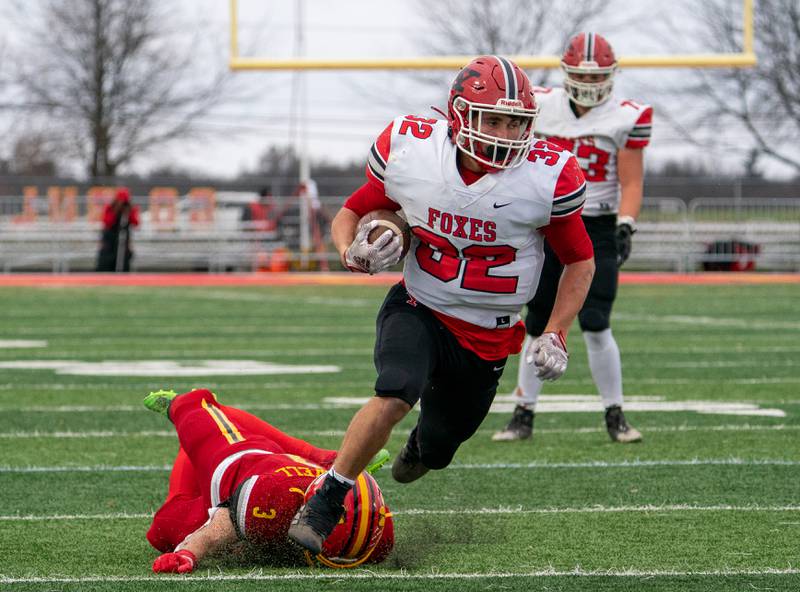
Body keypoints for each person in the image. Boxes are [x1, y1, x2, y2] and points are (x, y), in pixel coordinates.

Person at [287, 55, 595, 556]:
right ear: (458, 114)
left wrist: (556, 331)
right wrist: (351, 251)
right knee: (395, 391)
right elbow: (354, 209)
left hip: (489, 331)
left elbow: (580, 262)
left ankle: (422, 448)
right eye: (492, 119)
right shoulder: (415, 150)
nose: (505, 133)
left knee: (439, 446)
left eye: (516, 122)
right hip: (419, 305)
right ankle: (327, 499)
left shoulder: (546, 175)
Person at [492, 33, 651, 445]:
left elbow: (631, 180)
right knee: (538, 319)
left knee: (596, 322)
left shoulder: (627, 115)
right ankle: (523, 412)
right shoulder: (542, 104)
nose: (588, 81)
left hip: (596, 223)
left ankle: (614, 413)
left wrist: (627, 222)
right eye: (580, 72)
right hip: (547, 222)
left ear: (611, 75)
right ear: (566, 72)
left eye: (595, 74)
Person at [143, 388, 394, 573]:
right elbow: (221, 525)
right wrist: (189, 553)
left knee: (160, 533)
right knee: (193, 405)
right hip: (234, 462)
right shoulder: (278, 497)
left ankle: (336, 461)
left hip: (276, 470)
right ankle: (329, 459)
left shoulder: (375, 533)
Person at [95, 186, 140, 272]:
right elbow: (107, 222)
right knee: (106, 261)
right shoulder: (110, 208)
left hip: (123, 240)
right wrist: (116, 211)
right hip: (110, 239)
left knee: (124, 260)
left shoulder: (130, 209)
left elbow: (136, 223)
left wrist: (128, 212)